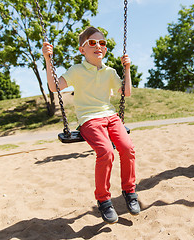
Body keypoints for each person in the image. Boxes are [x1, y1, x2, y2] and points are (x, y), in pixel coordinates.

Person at [42, 26, 140, 224]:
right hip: (88, 119)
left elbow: (126, 92)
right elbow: (54, 87)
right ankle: (104, 200)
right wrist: (47, 59)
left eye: (102, 43)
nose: (98, 46)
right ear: (82, 50)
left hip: (111, 116)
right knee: (106, 152)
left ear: (105, 49)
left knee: (128, 148)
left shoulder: (110, 71)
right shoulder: (76, 71)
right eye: (92, 43)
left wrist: (127, 68)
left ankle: (129, 192)